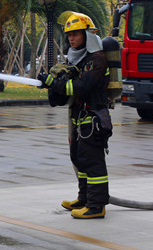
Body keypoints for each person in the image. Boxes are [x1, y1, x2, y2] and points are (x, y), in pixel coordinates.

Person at [38, 11, 112, 219]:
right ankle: (84, 198)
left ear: (87, 35)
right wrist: (53, 85)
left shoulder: (96, 59)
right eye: (69, 35)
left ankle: (96, 206)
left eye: (76, 34)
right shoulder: (78, 59)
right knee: (79, 158)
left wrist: (55, 83)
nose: (71, 38)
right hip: (81, 117)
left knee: (93, 161)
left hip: (93, 117)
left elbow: (81, 86)